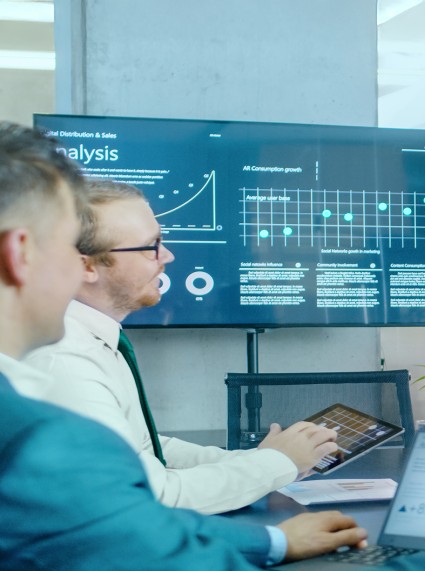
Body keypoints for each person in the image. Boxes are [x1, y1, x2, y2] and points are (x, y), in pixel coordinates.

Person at [0, 121, 425, 571]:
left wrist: (267, 543)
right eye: (65, 248)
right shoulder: (31, 449)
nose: (168, 257)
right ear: (21, 253)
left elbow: (118, 535)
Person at [24, 179, 334, 514]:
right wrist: (278, 463)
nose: (168, 256)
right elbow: (153, 496)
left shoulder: (87, 339)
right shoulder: (65, 361)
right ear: (85, 266)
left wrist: (259, 460)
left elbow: (145, 449)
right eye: (150, 246)